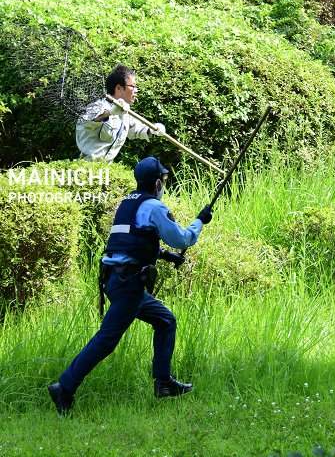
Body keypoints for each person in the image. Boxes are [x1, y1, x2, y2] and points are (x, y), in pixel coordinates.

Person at [47, 156, 213, 415]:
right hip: (129, 284)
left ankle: (164, 383)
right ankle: (64, 387)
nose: (164, 185)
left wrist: (165, 256)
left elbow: (132, 240)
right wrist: (200, 221)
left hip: (115, 279)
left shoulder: (127, 203)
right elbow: (181, 238)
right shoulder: (155, 207)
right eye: (164, 180)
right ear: (158, 182)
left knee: (165, 321)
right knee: (106, 339)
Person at [75, 64, 166, 162]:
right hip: (87, 166)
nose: (136, 90)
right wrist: (110, 112)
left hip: (107, 169)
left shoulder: (125, 113)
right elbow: (87, 121)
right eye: (132, 86)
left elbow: (135, 129)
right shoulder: (98, 106)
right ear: (118, 88)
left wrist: (152, 129)